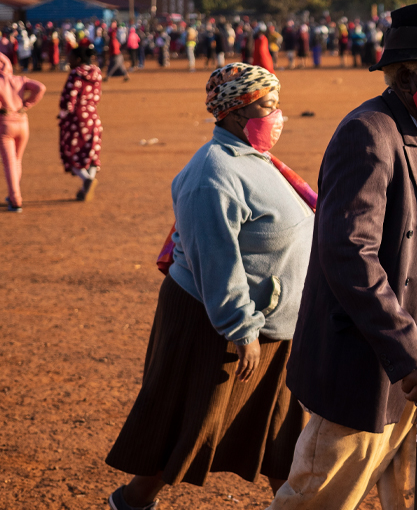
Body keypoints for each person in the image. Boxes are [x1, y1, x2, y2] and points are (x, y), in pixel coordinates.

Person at [269, 0, 417, 510]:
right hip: (372, 359)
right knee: (319, 497)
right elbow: (349, 253)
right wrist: (409, 351)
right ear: (407, 77)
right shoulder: (369, 132)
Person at [106, 63, 315, 510]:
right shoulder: (213, 173)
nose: (278, 116)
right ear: (238, 113)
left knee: (280, 431)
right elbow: (215, 259)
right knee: (189, 421)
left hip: (270, 322)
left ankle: (293, 504)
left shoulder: (255, 160)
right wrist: (240, 328)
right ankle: (133, 500)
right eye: (269, 107)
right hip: (212, 322)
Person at [0, 52, 46, 213]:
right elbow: (40, 88)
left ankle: (15, 198)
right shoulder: (20, 80)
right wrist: (27, 104)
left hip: (4, 124)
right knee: (17, 161)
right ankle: (13, 193)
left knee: (9, 162)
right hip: (22, 122)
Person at [59, 45, 104, 201]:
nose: (68, 60)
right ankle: (87, 185)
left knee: (70, 151)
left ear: (77, 59)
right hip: (93, 116)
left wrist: (63, 114)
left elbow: (68, 98)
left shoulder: (75, 74)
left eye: (70, 57)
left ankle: (87, 180)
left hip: (77, 118)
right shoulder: (97, 73)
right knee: (91, 151)